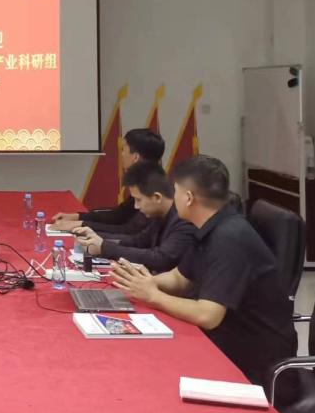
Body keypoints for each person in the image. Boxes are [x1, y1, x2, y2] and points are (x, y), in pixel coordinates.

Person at [110, 155, 295, 385]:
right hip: (225, 342)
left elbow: (208, 316)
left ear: (188, 198)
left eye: (175, 190)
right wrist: (142, 282)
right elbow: (180, 279)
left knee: (148, 373)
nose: (173, 197)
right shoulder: (207, 227)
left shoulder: (230, 237)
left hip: (255, 365)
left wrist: (153, 296)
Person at [70, 161, 195, 274]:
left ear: (157, 197)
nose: (136, 206)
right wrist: (96, 237)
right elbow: (138, 241)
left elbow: (160, 258)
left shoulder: (183, 219)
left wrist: (104, 247)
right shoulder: (160, 213)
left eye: (138, 200)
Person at [54, 128, 165, 236]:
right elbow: (120, 215)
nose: (121, 154)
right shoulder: (145, 179)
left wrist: (80, 225)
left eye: (123, 149)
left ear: (135, 157)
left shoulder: (151, 188)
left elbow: (129, 231)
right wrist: (77, 217)